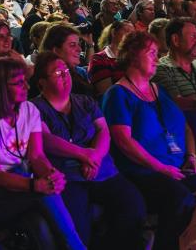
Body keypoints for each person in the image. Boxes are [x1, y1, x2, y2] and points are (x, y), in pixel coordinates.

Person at [102, 31, 196, 250]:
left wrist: (191, 156)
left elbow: (185, 127)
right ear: (133, 55)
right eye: (151, 53)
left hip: (178, 166)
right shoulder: (118, 94)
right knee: (180, 199)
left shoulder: (158, 90)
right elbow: (123, 140)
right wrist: (161, 168)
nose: (156, 58)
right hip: (145, 172)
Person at [0, 56, 86, 250]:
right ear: (0, 88)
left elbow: (36, 156)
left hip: (18, 177)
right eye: (19, 83)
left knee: (52, 196)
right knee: (45, 196)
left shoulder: (29, 110)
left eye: (25, 81)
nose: (27, 87)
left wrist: (51, 174)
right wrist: (35, 185)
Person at [32, 51, 146, 249]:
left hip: (100, 168)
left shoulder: (85, 101)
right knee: (78, 226)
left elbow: (103, 130)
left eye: (66, 71)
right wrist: (83, 154)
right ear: (42, 82)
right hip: (67, 175)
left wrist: (95, 157)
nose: (65, 75)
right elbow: (46, 139)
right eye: (57, 73)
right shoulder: (34, 108)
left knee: (133, 205)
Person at [153, 17, 196, 107]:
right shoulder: (160, 68)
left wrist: (193, 98)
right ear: (175, 40)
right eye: (193, 36)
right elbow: (175, 103)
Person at [38, 24, 94, 97]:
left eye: (79, 44)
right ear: (56, 50)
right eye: (72, 45)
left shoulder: (80, 72)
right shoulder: (51, 80)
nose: (79, 49)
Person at [88, 20, 134, 97]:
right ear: (113, 32)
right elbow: (107, 93)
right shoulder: (99, 59)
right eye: (127, 31)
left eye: (133, 33)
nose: (131, 36)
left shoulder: (133, 58)